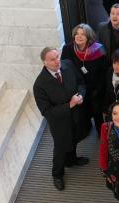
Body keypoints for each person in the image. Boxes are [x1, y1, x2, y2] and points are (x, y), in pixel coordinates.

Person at [33, 47, 89, 191]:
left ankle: (72, 160)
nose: (57, 61)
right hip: (59, 122)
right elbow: (46, 111)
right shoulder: (39, 85)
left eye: (57, 56)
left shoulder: (68, 65)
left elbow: (81, 82)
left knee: (75, 138)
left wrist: (81, 95)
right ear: (44, 62)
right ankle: (57, 174)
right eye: (52, 59)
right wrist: (69, 105)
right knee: (60, 148)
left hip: (76, 115)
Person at [61, 23, 107, 135]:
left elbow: (104, 73)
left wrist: (98, 90)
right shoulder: (68, 49)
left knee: (97, 112)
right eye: (77, 34)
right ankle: (85, 131)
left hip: (95, 87)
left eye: (82, 34)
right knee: (82, 112)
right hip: (77, 88)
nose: (79, 36)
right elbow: (64, 69)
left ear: (88, 37)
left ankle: (101, 135)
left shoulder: (98, 50)